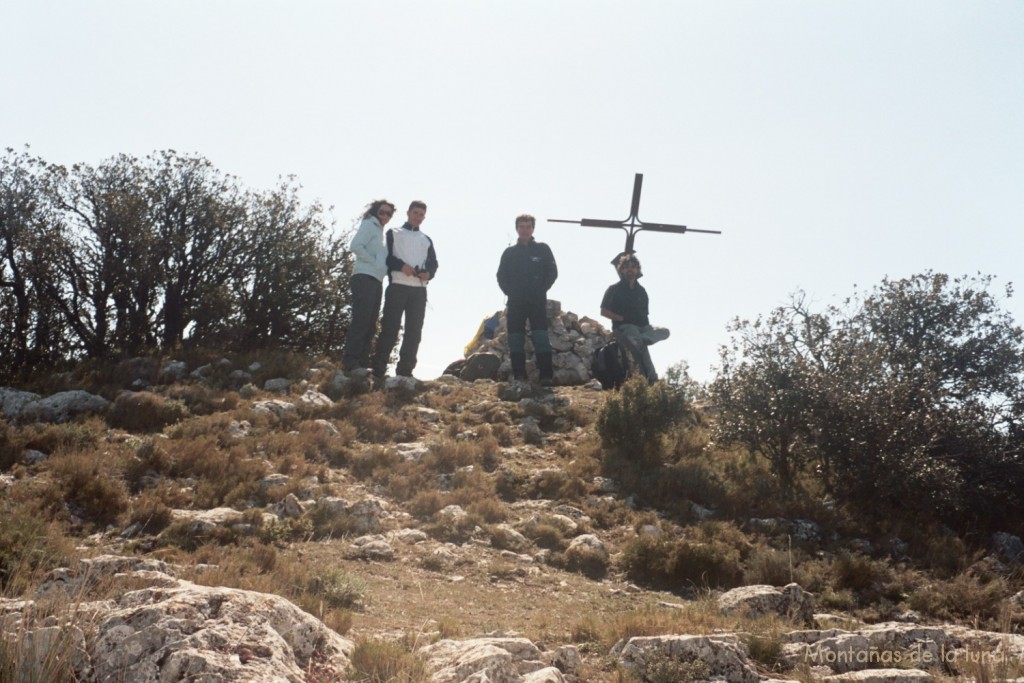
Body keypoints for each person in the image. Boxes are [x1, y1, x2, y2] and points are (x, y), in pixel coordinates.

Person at [371, 200, 438, 380]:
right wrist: (401, 266)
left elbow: (434, 264)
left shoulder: (426, 239)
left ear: (424, 217)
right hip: (397, 287)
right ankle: (378, 370)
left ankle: (405, 371)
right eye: (415, 213)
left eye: (421, 215)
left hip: (419, 290)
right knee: (390, 329)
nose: (417, 217)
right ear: (408, 213)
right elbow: (386, 258)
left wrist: (428, 274)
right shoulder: (394, 233)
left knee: (414, 331)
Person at [496, 214, 558, 386]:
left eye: (528, 227)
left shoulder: (542, 249)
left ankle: (546, 376)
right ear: (517, 229)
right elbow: (501, 276)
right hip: (516, 303)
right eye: (521, 227)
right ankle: (519, 376)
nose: (525, 230)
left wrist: (541, 290)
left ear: (533, 229)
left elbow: (552, 273)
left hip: (537, 302)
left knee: (541, 338)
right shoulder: (510, 253)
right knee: (515, 339)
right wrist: (511, 292)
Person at [342, 199, 395, 373]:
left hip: (376, 280)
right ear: (375, 211)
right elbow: (355, 246)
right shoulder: (369, 224)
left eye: (389, 213)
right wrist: (374, 263)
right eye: (382, 212)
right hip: (364, 277)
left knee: (371, 323)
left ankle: (362, 363)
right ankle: (351, 362)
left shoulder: (380, 230)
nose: (385, 216)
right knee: (361, 320)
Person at [600, 253, 670, 382]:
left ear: (637, 269)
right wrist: (620, 318)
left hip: (642, 329)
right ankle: (651, 379)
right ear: (621, 270)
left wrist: (647, 330)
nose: (630, 269)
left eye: (633, 267)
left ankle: (642, 339)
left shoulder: (641, 291)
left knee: (664, 331)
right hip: (625, 327)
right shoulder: (614, 289)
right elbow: (604, 311)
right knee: (638, 347)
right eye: (627, 267)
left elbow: (645, 314)